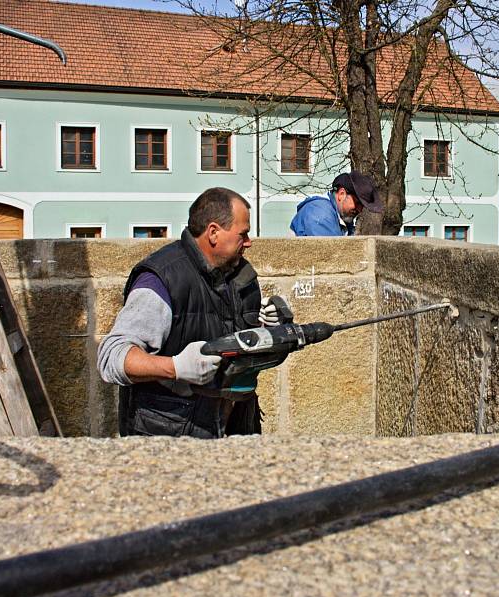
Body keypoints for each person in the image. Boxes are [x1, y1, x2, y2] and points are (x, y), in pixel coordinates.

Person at [97, 187, 286, 438]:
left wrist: (274, 333)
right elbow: (112, 358)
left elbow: (243, 354)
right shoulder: (163, 279)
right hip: (171, 435)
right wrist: (175, 367)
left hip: (235, 429)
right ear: (213, 232)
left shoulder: (241, 276)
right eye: (243, 234)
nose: (249, 242)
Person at [290, 170, 383, 236]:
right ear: (341, 194)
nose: (359, 209)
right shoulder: (321, 214)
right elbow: (331, 258)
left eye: (362, 206)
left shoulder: (340, 217)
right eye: (357, 203)